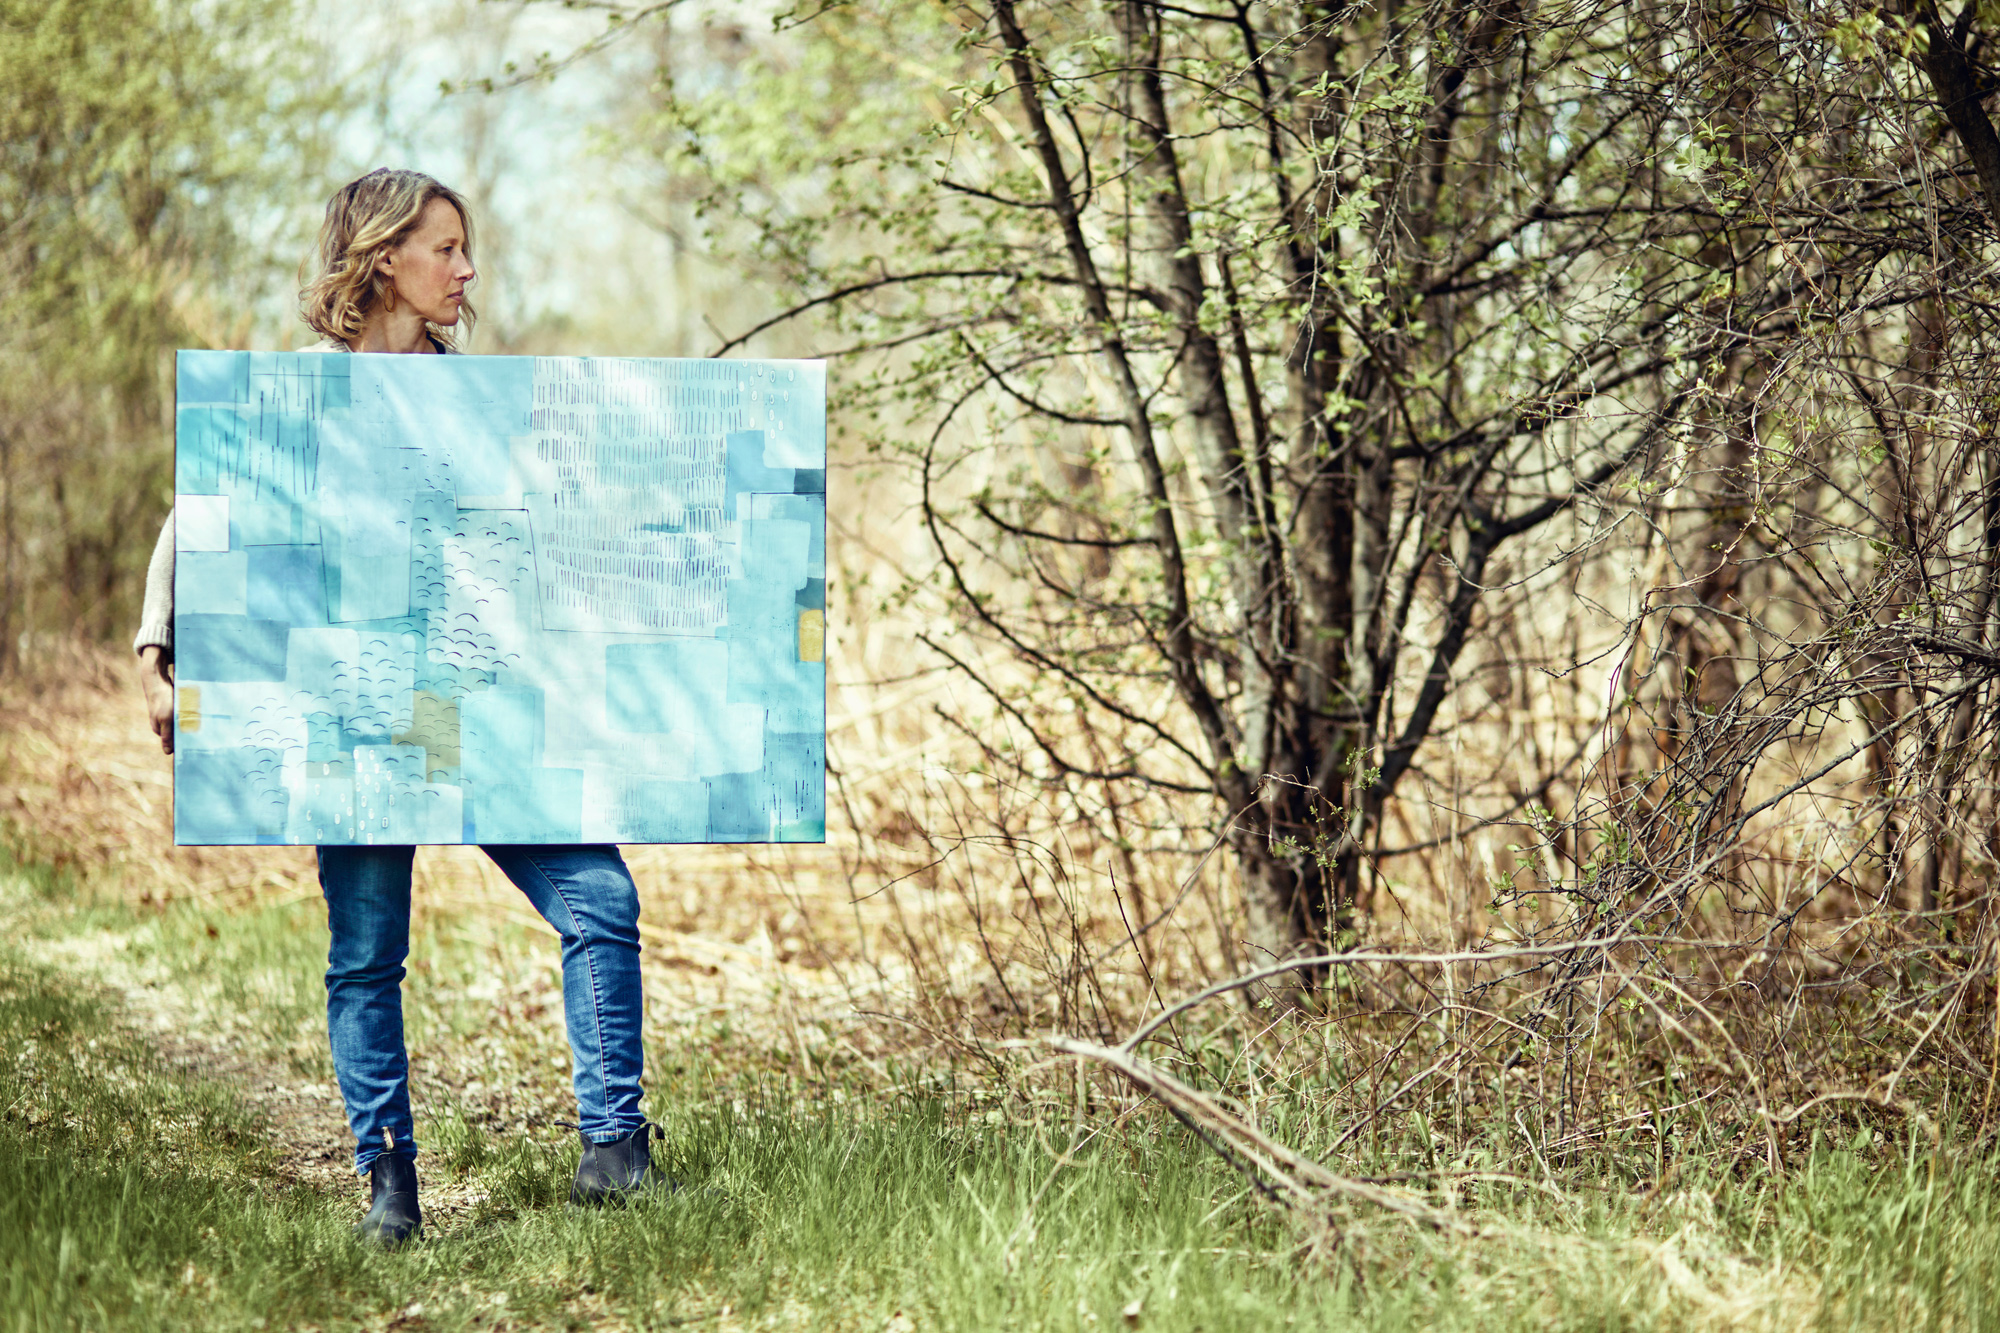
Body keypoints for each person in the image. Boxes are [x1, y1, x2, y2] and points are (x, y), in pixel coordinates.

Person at [134, 169, 658, 1247]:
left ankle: (615, 1152)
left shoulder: (485, 404)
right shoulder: (293, 397)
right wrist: (159, 650)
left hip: (483, 709)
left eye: (466, 251)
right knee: (367, 954)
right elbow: (200, 513)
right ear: (384, 259)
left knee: (598, 896)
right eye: (447, 248)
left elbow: (558, 535)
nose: (467, 271)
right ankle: (390, 1186)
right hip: (351, 708)